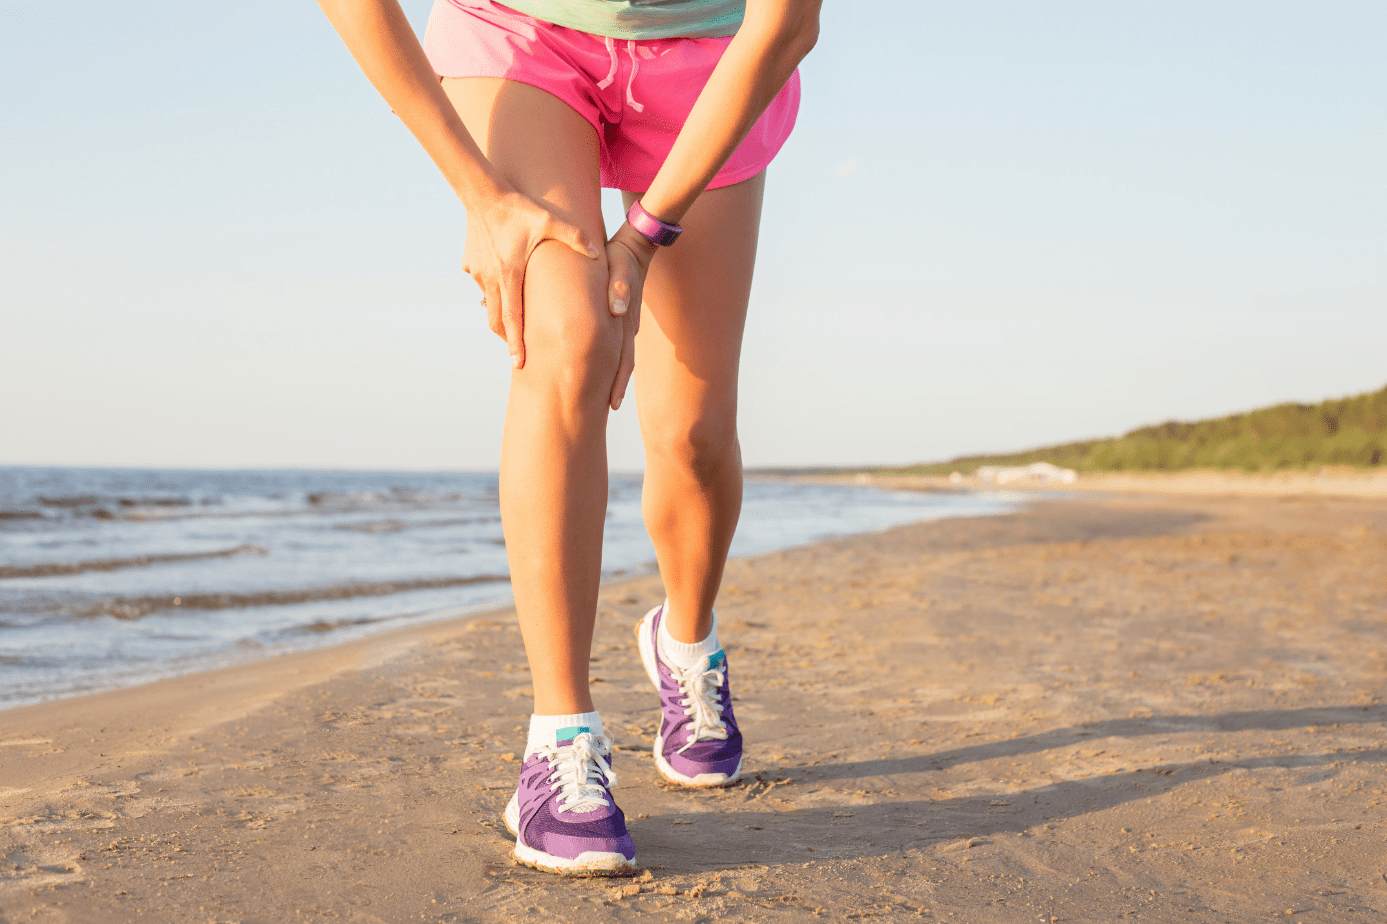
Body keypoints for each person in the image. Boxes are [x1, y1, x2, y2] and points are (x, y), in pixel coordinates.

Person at [316, 0, 820, 876]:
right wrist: (478, 193)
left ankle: (686, 640)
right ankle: (559, 741)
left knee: (694, 431)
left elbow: (785, 25)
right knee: (571, 338)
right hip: (522, 34)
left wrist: (644, 235)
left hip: (708, 55)